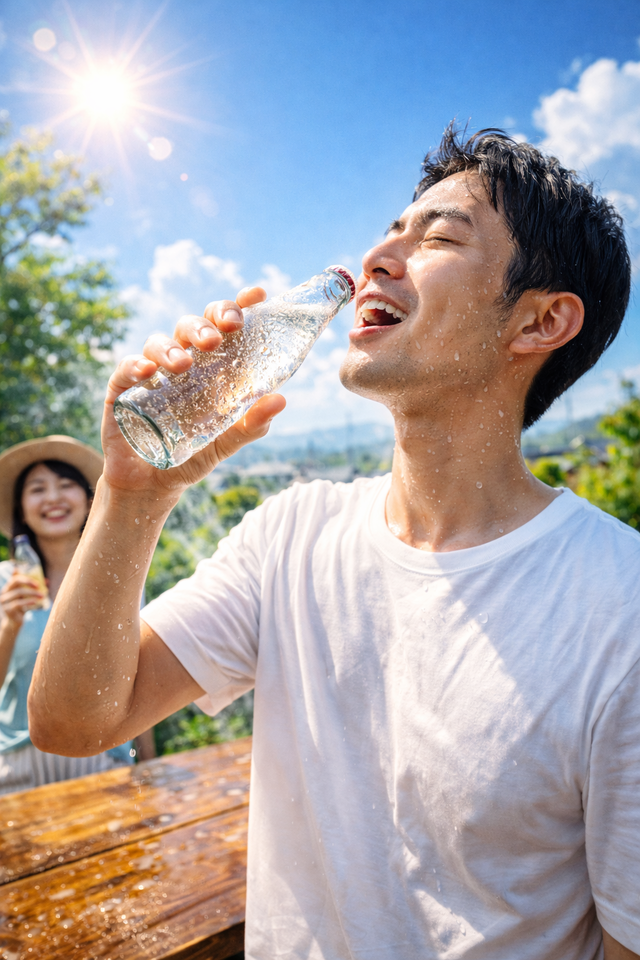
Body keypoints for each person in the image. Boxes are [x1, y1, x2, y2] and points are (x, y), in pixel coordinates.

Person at [27, 128, 639, 959]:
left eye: (438, 237)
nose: (378, 256)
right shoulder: (292, 537)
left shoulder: (619, 605)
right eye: (391, 228)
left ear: (540, 320)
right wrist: (134, 495)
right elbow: (73, 718)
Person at [0, 435, 155, 794]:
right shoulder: (6, 582)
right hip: (17, 772)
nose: (52, 498)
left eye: (65, 485)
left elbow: (136, 679)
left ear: (89, 501)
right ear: (21, 509)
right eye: (37, 489)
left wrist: (148, 763)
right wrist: (9, 625)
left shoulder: (121, 579)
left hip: (105, 763)